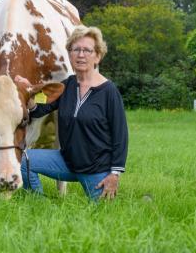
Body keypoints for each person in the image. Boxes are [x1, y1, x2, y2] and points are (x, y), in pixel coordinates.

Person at [17, 25, 128, 201]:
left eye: (87, 50)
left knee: (103, 219)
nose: (81, 55)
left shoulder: (109, 91)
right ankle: (41, 205)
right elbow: (38, 110)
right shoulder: (67, 85)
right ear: (69, 55)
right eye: (76, 49)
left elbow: (120, 136)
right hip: (65, 162)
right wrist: (28, 91)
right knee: (23, 160)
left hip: (96, 169)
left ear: (97, 56)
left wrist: (114, 175)